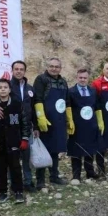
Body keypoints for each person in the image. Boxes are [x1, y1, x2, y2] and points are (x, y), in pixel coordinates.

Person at [0, 60, 38, 192]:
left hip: (25, 127)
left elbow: (33, 108)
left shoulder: (30, 88)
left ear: (25, 71)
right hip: (10, 128)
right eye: (16, 69)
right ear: (12, 71)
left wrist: (35, 126)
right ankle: (12, 184)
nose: (19, 71)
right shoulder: (5, 85)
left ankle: (28, 182)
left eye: (21, 69)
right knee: (10, 159)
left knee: (26, 157)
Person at [33, 57, 74, 187]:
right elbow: (37, 99)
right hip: (45, 122)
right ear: (47, 67)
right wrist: (40, 118)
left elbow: (67, 101)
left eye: (57, 66)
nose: (54, 68)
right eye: (51, 66)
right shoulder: (41, 79)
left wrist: (69, 119)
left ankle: (54, 176)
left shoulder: (63, 81)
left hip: (59, 121)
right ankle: (40, 180)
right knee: (42, 150)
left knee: (56, 150)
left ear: (60, 68)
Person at [0, 79, 30, 204]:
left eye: (5, 87)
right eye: (0, 87)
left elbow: (24, 122)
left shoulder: (17, 104)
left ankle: (18, 192)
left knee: (16, 168)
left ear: (9, 89)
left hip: (14, 143)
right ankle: (3, 192)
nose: (2, 89)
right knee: (0, 168)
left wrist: (24, 138)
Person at [67, 69, 103, 181]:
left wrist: (100, 122)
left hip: (91, 125)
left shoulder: (93, 91)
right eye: (80, 77)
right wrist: (69, 122)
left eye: (85, 78)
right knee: (76, 150)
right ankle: (76, 175)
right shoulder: (70, 92)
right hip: (77, 126)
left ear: (88, 79)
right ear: (77, 78)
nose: (83, 80)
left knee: (90, 150)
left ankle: (90, 172)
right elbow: (68, 108)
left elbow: (97, 107)